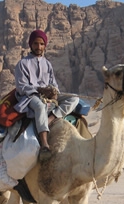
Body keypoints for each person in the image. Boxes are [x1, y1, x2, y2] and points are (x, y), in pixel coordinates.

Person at [14, 29, 79, 161]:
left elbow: (53, 83)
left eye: (42, 44)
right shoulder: (22, 64)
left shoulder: (47, 64)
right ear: (31, 45)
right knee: (40, 105)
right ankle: (44, 143)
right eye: (36, 44)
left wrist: (54, 91)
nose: (39, 47)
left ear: (45, 45)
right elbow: (22, 86)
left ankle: (50, 119)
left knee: (74, 98)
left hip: (47, 95)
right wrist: (40, 90)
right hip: (30, 96)